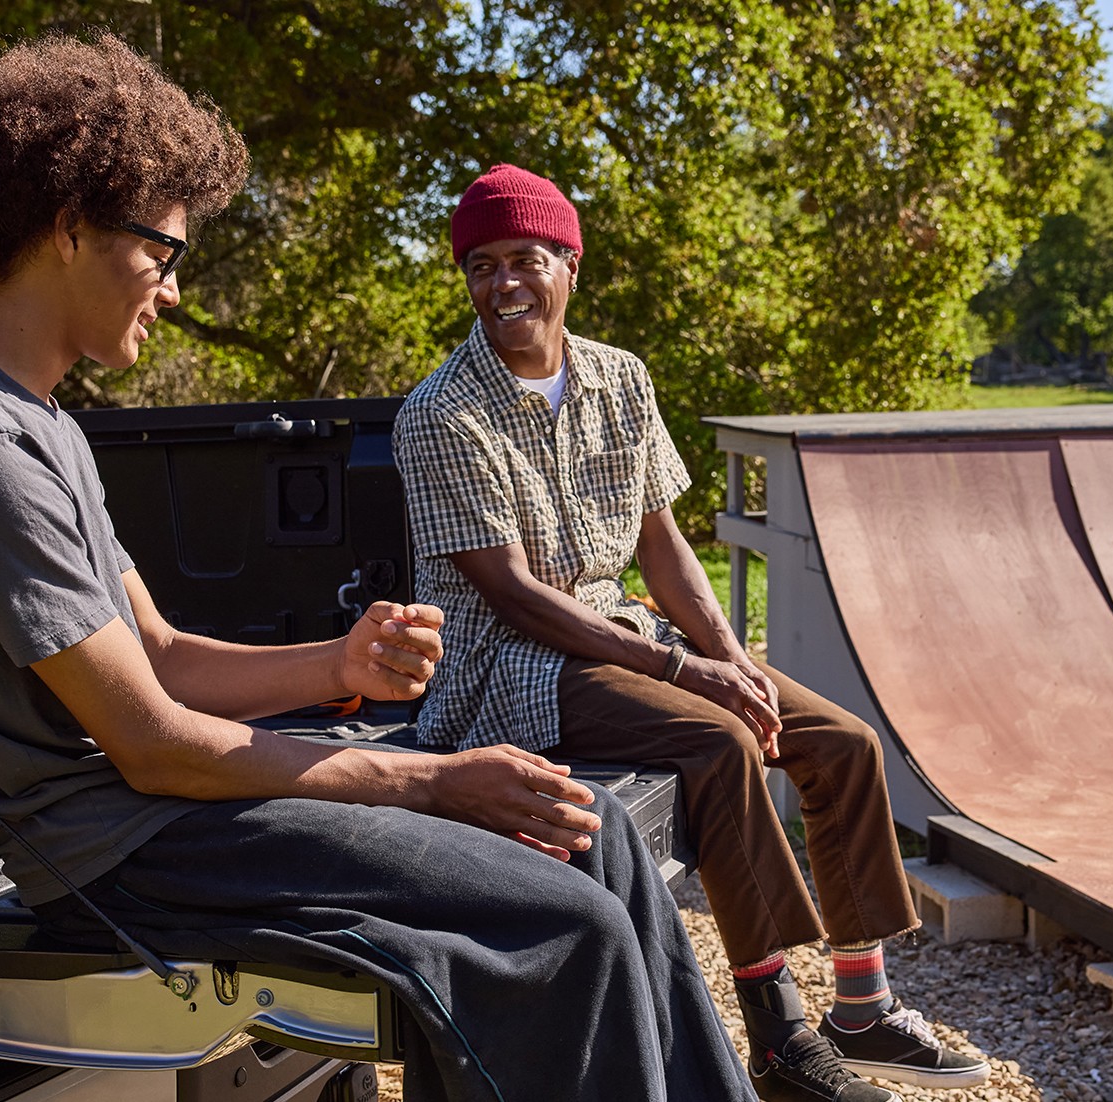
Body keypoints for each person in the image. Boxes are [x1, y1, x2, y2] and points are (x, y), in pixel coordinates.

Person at [0, 36, 751, 1102]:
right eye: (163, 251)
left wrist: (339, 663)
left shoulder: (35, 424)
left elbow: (164, 656)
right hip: (125, 854)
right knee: (563, 919)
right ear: (69, 226)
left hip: (172, 812)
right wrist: (432, 780)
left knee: (593, 839)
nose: (172, 292)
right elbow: (151, 745)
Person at [394, 165, 993, 1102]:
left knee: (840, 742)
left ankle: (864, 1010)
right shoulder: (439, 414)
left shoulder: (620, 378)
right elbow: (513, 595)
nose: (503, 284)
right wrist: (687, 672)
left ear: (570, 266)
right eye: (481, 266)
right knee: (715, 741)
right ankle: (778, 1038)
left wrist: (731, 659)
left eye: (525, 259)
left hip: (616, 632)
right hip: (506, 668)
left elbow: (663, 549)